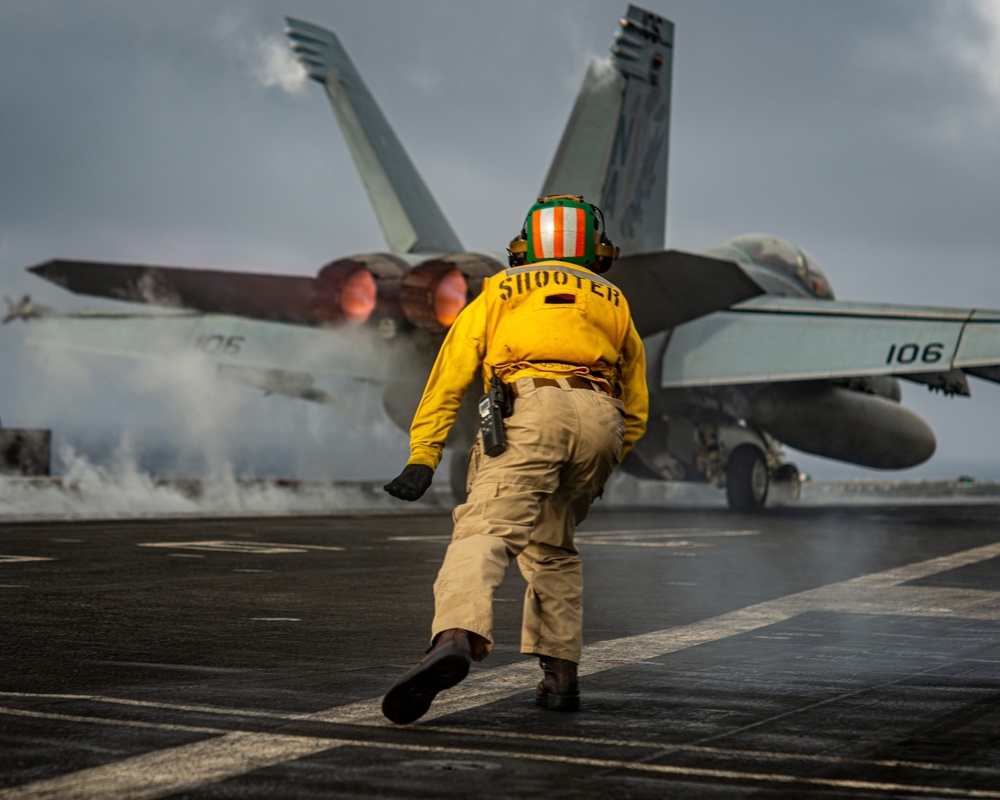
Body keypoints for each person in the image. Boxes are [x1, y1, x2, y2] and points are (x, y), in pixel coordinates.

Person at [382, 194, 648, 724]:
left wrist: (424, 454)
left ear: (524, 249)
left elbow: (450, 375)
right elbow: (636, 403)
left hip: (532, 405)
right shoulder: (613, 300)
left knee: (485, 530)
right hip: (601, 418)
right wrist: (605, 460)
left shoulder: (498, 291)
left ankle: (454, 637)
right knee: (553, 549)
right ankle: (560, 680)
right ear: (596, 252)